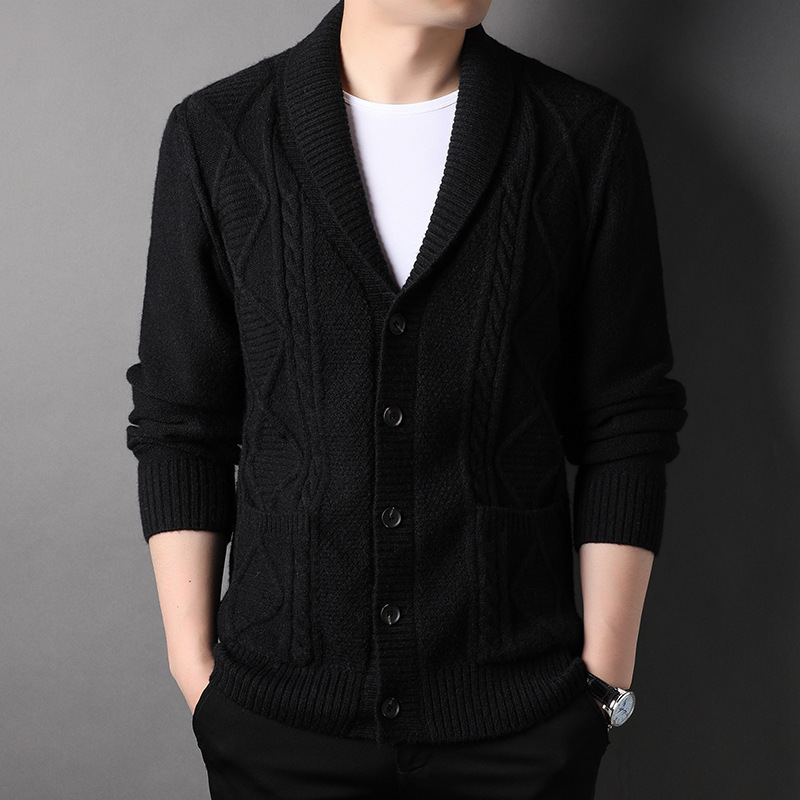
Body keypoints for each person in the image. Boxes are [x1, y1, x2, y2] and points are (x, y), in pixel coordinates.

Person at [125, 0, 688, 797]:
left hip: (519, 724)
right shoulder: (220, 133)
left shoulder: (580, 135)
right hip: (279, 721)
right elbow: (182, 421)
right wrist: (196, 675)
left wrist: (604, 682)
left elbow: (625, 418)